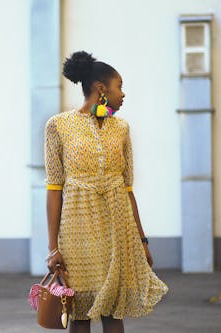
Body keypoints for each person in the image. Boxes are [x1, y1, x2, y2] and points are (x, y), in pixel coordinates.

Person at [44, 51, 169, 333]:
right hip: (77, 228)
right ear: (101, 89)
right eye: (119, 86)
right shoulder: (58, 126)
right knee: (81, 313)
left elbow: (127, 189)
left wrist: (142, 239)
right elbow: (54, 189)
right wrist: (53, 248)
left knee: (114, 309)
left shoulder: (121, 129)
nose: (123, 94)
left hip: (117, 226)